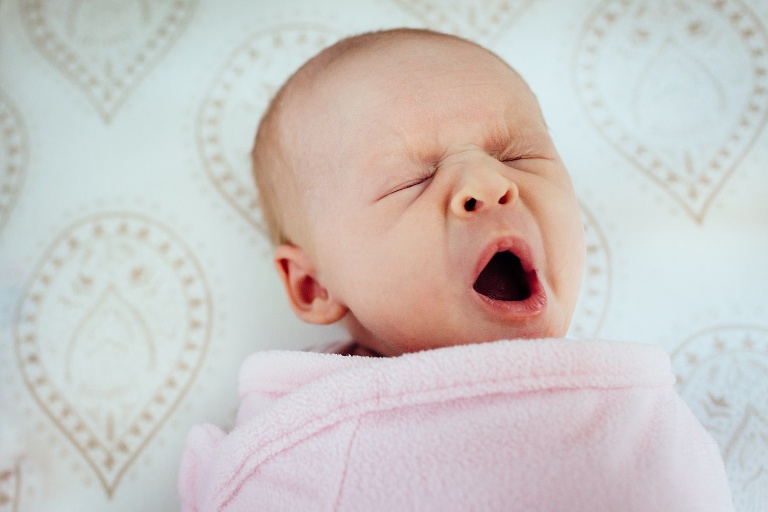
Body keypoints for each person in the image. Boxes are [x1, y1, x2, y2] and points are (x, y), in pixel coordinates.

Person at [178, 29, 733, 511]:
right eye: (410, 181)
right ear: (314, 284)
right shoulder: (298, 454)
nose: (488, 184)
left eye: (518, 155)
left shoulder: (629, 422)